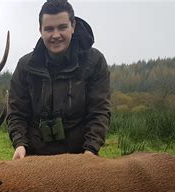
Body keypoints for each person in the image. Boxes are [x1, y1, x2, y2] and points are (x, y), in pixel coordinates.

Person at [7, 0, 111, 159]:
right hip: (34, 156)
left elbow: (99, 111)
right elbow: (17, 112)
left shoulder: (94, 61)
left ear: (73, 26)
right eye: (49, 29)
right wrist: (20, 144)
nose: (55, 35)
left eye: (62, 27)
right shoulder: (25, 66)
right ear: (40, 30)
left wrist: (91, 150)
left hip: (79, 156)